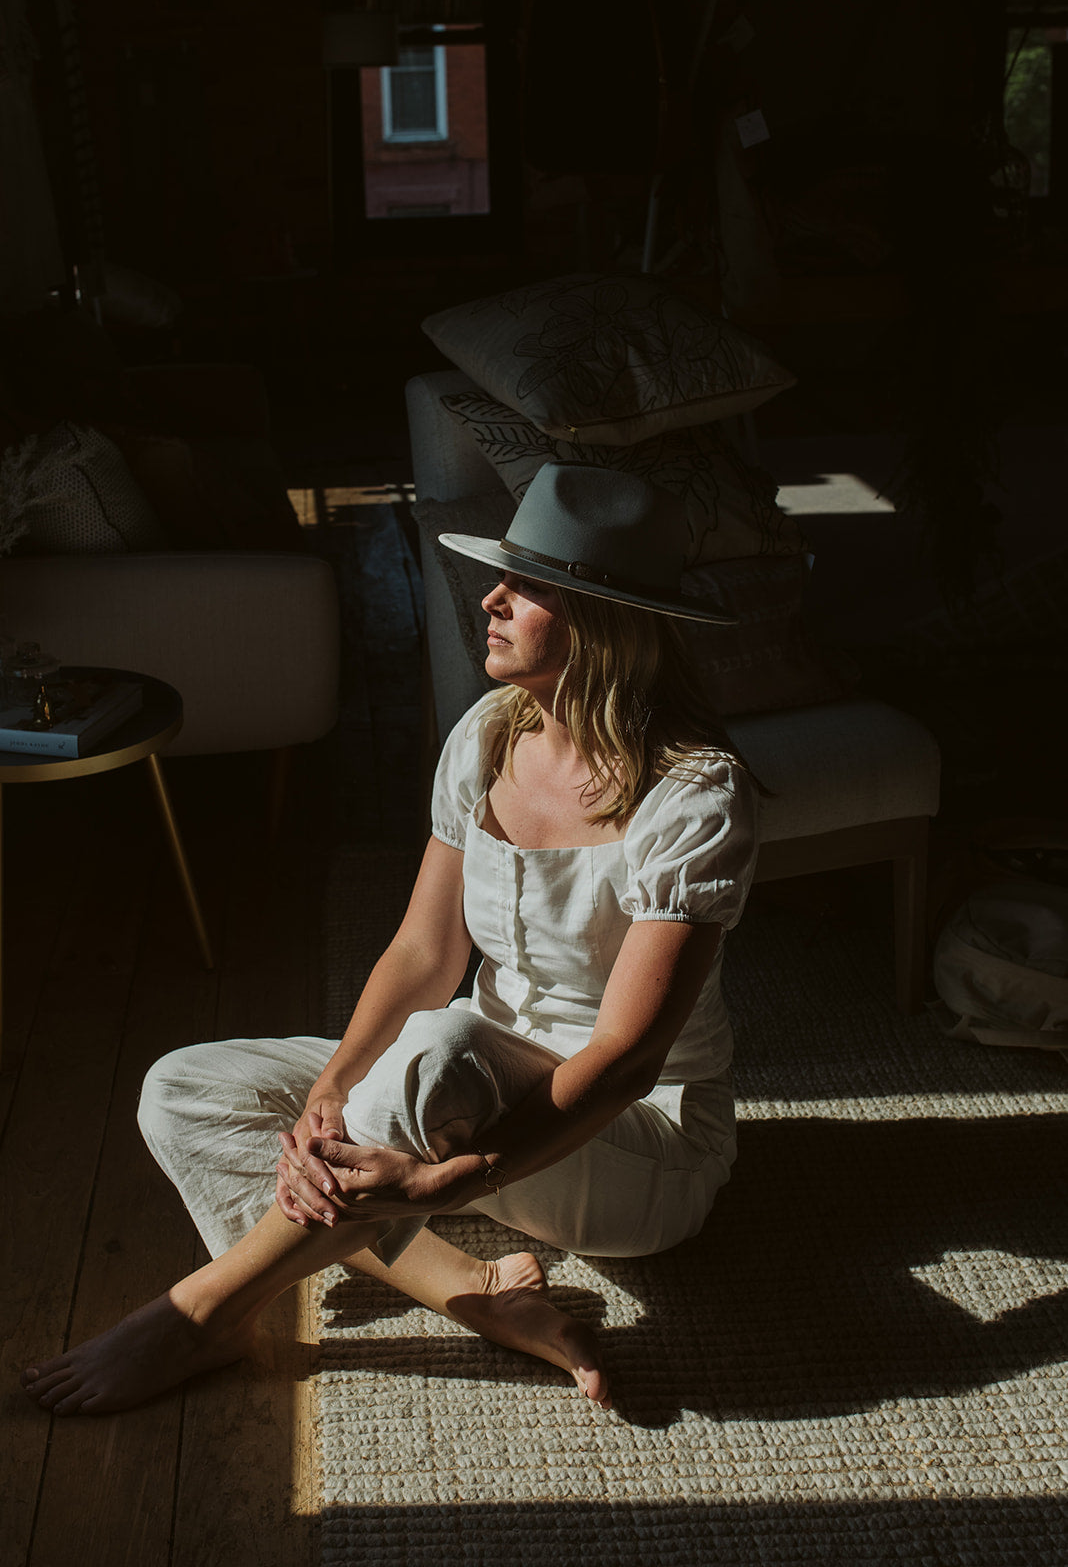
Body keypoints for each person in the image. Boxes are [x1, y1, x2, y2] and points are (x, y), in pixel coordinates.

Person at [21, 462, 759, 1418]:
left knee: (438, 1049)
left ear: (603, 620)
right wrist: (327, 1098)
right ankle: (477, 1293)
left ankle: (201, 1315)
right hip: (451, 1108)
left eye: (526, 584)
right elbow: (423, 954)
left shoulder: (695, 794)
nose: (490, 599)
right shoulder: (490, 732)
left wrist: (451, 1178)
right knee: (186, 1091)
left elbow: (627, 1059)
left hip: (629, 1145)